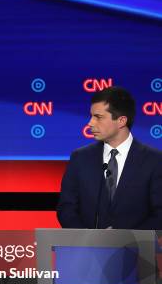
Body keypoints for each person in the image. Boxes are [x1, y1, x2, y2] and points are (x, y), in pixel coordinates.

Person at [57, 86, 162, 230]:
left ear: (121, 121)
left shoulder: (155, 161)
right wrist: (87, 239)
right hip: (86, 249)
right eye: (91, 116)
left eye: (98, 117)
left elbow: (159, 214)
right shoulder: (80, 158)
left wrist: (125, 240)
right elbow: (66, 209)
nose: (90, 123)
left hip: (138, 250)